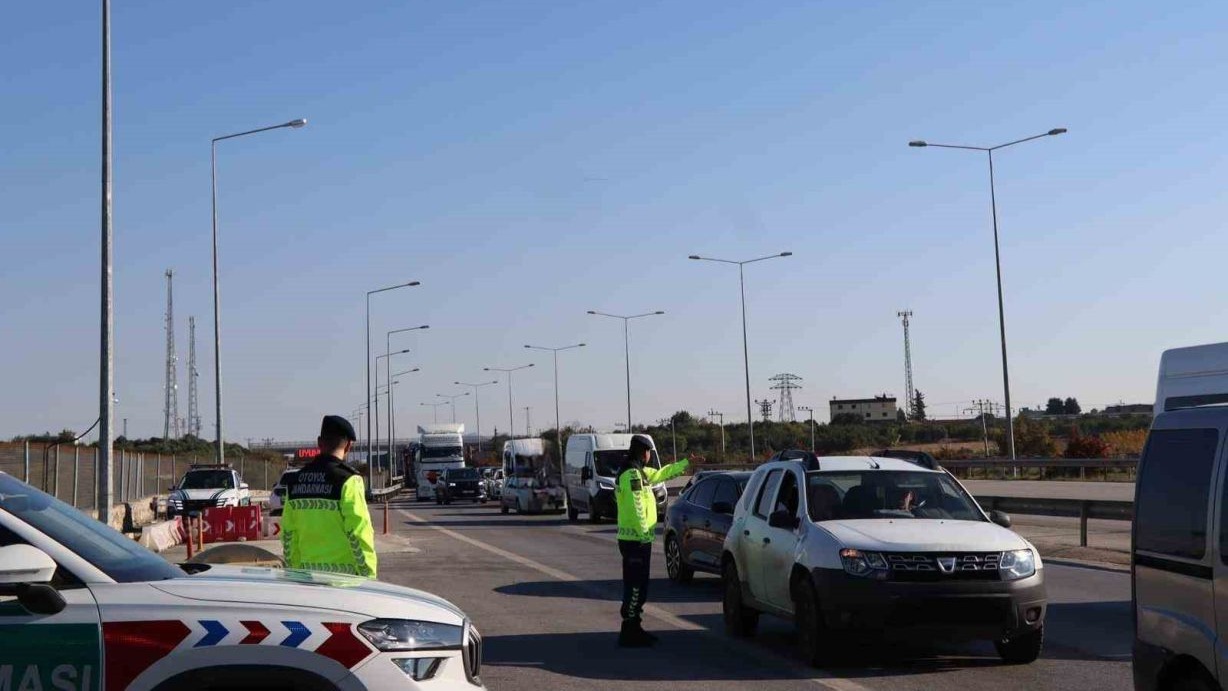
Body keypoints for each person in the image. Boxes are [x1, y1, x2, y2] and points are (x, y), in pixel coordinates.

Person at [615, 434, 690, 647]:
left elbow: (660, 474)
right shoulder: (632, 474)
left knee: (640, 585)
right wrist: (643, 535)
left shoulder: (639, 471)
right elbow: (637, 506)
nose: (649, 456)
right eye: (648, 452)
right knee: (635, 586)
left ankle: (634, 626)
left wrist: (686, 464)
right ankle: (629, 630)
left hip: (638, 540)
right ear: (642, 452)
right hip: (635, 541)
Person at [281, 415, 377, 578]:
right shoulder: (349, 481)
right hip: (344, 584)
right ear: (348, 446)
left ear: (319, 443)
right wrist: (368, 576)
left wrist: (295, 574)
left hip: (306, 580)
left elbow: (289, 535)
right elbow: (358, 533)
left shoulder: (295, 481)